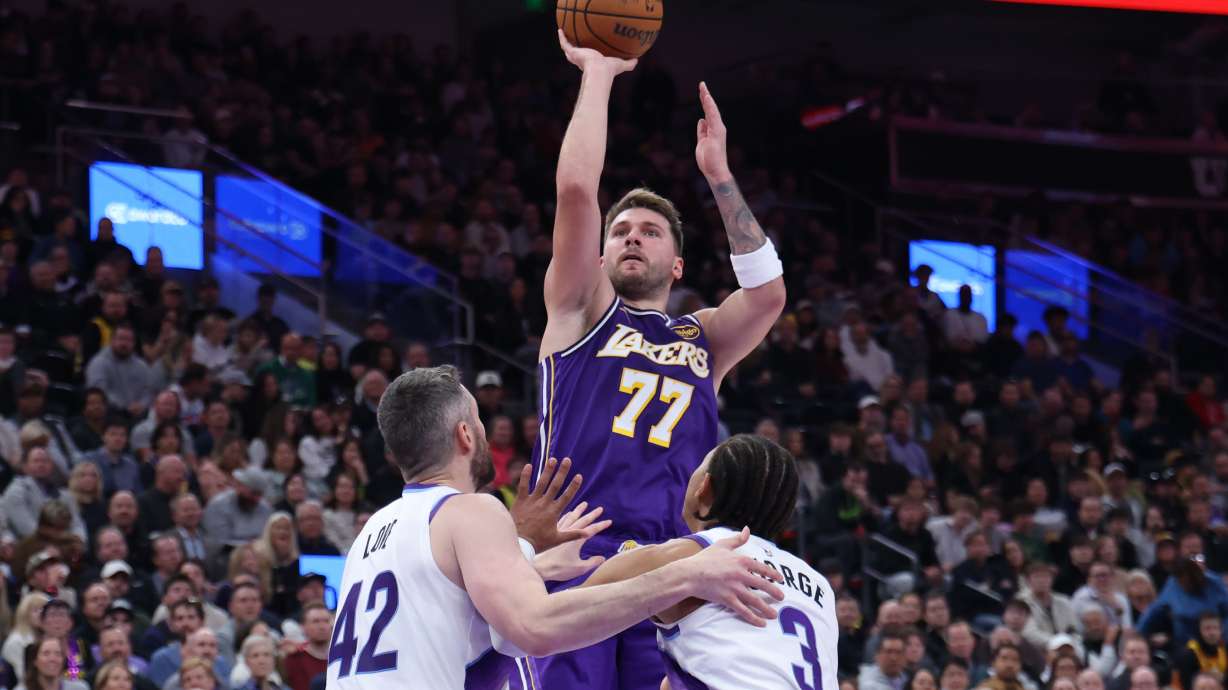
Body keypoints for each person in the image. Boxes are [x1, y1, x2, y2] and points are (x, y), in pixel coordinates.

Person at [527, 29, 787, 689]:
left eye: (649, 230)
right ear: (602, 256)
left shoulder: (702, 339)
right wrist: (598, 74)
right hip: (573, 558)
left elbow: (767, 294)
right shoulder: (580, 309)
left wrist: (720, 176)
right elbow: (578, 194)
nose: (630, 236)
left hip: (673, 573)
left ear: (676, 261)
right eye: (620, 232)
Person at [325, 366, 784, 690]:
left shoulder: (374, 530)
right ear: (465, 435)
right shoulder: (473, 511)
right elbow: (535, 628)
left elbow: (459, 639)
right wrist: (686, 575)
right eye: (480, 421)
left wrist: (530, 565)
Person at [574, 434, 834, 690]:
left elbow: (559, 617)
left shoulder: (691, 555)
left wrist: (538, 553)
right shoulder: (820, 585)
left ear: (704, 487)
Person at [1175, 611, 1228, 690]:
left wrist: (1223, 678)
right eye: (1207, 628)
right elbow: (1185, 685)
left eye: (1215, 628)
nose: (1212, 633)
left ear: (1221, 631)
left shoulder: (1225, 651)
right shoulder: (1188, 654)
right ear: (1199, 631)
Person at [15, 637, 89, 690]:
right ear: (35, 661)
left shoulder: (80, 688)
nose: (52, 659)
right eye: (46, 654)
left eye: (58, 654)